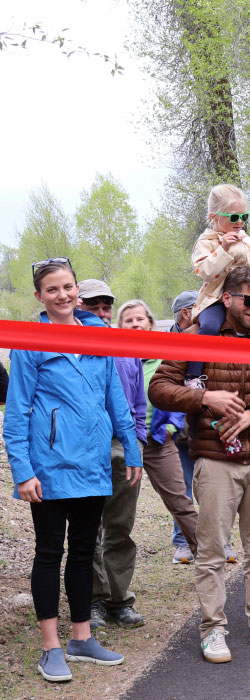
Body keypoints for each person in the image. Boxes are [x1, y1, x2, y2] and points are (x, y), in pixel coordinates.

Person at [149, 266, 250, 663]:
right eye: (249, 300)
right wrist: (205, 398)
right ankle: (213, 628)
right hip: (215, 461)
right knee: (213, 551)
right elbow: (159, 388)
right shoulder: (195, 337)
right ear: (228, 298)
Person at [5, 258, 140, 682]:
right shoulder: (30, 340)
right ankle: (51, 647)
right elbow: (17, 411)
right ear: (39, 296)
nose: (62, 295)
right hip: (48, 467)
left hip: (94, 462)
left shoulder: (99, 335)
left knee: (84, 552)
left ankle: (82, 638)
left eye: (68, 287)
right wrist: (22, 470)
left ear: (77, 289)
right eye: (52, 289)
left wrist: (131, 447)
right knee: (50, 553)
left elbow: (115, 396)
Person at [78, 280, 150, 632]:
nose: (102, 313)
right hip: (83, 446)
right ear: (77, 306)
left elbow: (137, 400)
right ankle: (91, 600)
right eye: (93, 306)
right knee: (87, 528)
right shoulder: (69, 344)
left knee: (120, 526)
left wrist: (137, 440)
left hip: (123, 446)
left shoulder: (125, 344)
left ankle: (118, 600)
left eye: (106, 307)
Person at [116, 301, 200, 569]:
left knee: (180, 501)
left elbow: (178, 393)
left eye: (140, 319)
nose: (135, 324)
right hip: (126, 442)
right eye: (128, 321)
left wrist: (172, 427)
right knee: (118, 512)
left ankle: (208, 557)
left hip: (159, 441)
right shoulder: (115, 358)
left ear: (150, 323)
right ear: (120, 327)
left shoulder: (166, 356)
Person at [186, 183, 250, 390]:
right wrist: (224, 249)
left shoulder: (248, 241)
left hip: (246, 301)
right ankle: (193, 376)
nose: (240, 222)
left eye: (244, 217)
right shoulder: (206, 241)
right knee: (209, 327)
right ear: (214, 217)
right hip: (216, 300)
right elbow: (205, 272)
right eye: (234, 217)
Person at [168, 290, 235, 564]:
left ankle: (223, 543)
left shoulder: (215, 336)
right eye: (201, 309)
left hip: (210, 426)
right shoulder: (168, 343)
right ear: (187, 313)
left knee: (215, 488)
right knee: (182, 487)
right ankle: (183, 543)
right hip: (179, 430)